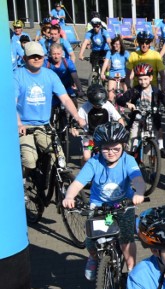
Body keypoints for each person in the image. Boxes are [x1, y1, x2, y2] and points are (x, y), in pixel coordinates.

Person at [62, 122, 145, 280]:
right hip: (99, 206)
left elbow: (138, 179)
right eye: (106, 148)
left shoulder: (128, 161)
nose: (111, 152)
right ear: (99, 148)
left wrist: (139, 192)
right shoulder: (94, 163)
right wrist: (69, 196)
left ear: (123, 146)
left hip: (123, 204)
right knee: (91, 240)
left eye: (116, 148)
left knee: (126, 238)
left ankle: (132, 268)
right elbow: (77, 183)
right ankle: (93, 257)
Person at [16, 42, 85, 176]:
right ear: (25, 58)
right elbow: (11, 104)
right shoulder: (17, 76)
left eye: (39, 56)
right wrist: (18, 123)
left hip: (44, 125)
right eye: (32, 56)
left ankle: (56, 184)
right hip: (25, 125)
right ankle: (21, 185)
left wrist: (77, 117)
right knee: (30, 161)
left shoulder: (50, 75)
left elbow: (65, 98)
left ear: (44, 57)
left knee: (59, 158)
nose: (36, 59)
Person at [117, 63, 165, 159]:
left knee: (156, 136)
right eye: (140, 79)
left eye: (145, 79)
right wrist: (128, 104)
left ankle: (155, 158)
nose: (143, 82)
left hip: (152, 118)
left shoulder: (156, 91)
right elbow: (120, 100)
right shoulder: (135, 90)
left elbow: (164, 100)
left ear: (151, 78)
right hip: (137, 119)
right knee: (132, 144)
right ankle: (130, 159)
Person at [72, 84, 125, 163]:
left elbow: (119, 119)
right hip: (89, 137)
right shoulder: (85, 107)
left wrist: (121, 129)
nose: (100, 106)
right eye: (96, 104)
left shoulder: (107, 105)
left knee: (112, 156)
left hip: (105, 137)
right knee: (87, 157)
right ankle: (84, 169)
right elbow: (76, 120)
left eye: (102, 103)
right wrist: (75, 129)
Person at [78, 17, 111, 81]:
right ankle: (94, 73)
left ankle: (107, 73)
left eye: (97, 26)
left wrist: (111, 48)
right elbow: (85, 43)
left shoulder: (104, 32)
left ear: (100, 26)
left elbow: (108, 40)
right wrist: (80, 54)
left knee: (105, 62)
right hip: (95, 51)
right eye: (94, 26)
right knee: (93, 62)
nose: (95, 28)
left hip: (104, 50)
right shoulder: (90, 32)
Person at [101, 36, 129, 104]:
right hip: (112, 75)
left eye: (117, 44)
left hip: (123, 75)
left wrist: (131, 74)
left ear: (120, 45)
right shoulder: (110, 52)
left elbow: (131, 62)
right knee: (110, 95)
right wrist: (102, 73)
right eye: (114, 44)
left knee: (127, 94)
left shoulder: (125, 53)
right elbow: (106, 62)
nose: (115, 45)